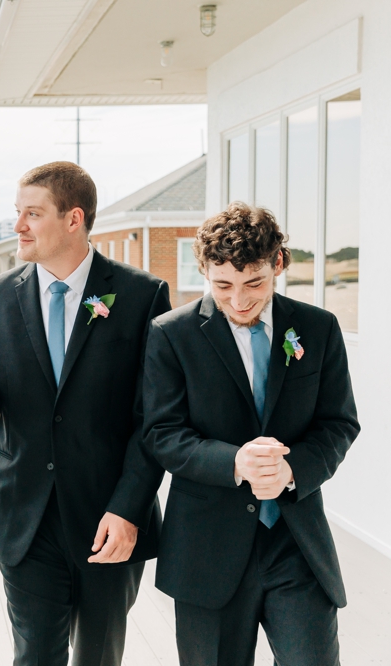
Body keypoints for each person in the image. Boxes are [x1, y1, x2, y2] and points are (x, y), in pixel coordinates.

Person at [0, 161, 171, 666]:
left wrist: (128, 509)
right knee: (35, 656)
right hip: (23, 516)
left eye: (32, 214)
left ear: (73, 219)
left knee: (99, 657)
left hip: (108, 518)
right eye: (16, 213)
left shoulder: (142, 296)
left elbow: (153, 420)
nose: (18, 226)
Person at [143, 203, 359, 665]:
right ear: (204, 270)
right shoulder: (170, 335)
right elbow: (162, 433)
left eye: (254, 283)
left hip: (296, 543)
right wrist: (235, 462)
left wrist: (292, 471)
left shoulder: (318, 328)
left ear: (278, 263)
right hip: (206, 550)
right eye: (223, 286)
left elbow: (339, 422)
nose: (239, 301)